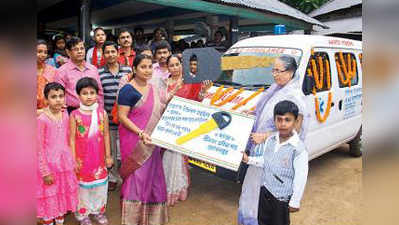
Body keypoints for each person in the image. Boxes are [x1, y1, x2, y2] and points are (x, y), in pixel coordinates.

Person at [237, 55, 310, 225]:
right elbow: (266, 114)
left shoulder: (294, 96)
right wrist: (253, 114)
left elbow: (295, 130)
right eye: (273, 70)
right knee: (254, 192)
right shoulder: (276, 88)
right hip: (262, 150)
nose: (274, 74)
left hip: (277, 153)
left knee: (271, 201)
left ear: (291, 72)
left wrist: (265, 136)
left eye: (279, 70)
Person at [117, 54, 181, 225]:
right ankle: (132, 220)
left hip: (152, 142)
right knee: (136, 180)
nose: (147, 71)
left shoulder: (153, 88)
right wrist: (140, 133)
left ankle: (152, 220)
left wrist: (174, 92)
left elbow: (161, 104)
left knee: (153, 179)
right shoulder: (127, 90)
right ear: (134, 69)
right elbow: (122, 116)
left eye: (149, 67)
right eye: (143, 67)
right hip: (135, 142)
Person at [242, 100, 309, 225]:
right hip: (265, 192)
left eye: (287, 120)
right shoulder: (271, 140)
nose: (283, 124)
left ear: (295, 122)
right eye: (279, 119)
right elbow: (265, 161)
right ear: (274, 121)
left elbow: (301, 177)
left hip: (281, 200)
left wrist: (295, 201)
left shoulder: (299, 149)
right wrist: (249, 160)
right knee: (262, 221)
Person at [69, 77, 113, 225]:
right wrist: (73, 159)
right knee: (83, 189)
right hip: (82, 159)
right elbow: (72, 139)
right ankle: (83, 214)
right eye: (84, 93)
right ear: (78, 95)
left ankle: (98, 211)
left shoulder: (102, 114)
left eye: (92, 92)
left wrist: (108, 156)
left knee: (100, 186)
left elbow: (106, 134)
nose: (89, 96)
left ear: (97, 94)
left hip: (99, 158)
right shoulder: (75, 115)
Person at [37, 83, 79, 225]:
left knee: (61, 196)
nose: (58, 100)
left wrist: (72, 161)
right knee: (50, 197)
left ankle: (60, 219)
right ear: (46, 99)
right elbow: (38, 148)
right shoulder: (42, 119)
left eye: (61, 96)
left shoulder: (65, 115)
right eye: (53, 97)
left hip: (64, 165)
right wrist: (44, 172)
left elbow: (68, 138)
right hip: (49, 166)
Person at [98, 41, 132, 191]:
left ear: (118, 53)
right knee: (110, 149)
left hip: (127, 119)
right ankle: (112, 177)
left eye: (113, 51)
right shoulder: (99, 73)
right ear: (103, 55)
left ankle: (127, 177)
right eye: (107, 52)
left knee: (126, 150)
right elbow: (99, 97)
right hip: (109, 119)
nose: (110, 55)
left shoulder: (128, 71)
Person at [54, 36, 104, 113]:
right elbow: (59, 96)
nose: (80, 51)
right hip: (72, 111)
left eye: (82, 48)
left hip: (93, 110)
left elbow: (99, 92)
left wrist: (100, 111)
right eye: (76, 49)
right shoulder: (61, 71)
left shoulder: (93, 69)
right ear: (68, 52)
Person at [37, 40, 56, 110]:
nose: (43, 55)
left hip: (49, 111)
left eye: (45, 52)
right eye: (39, 52)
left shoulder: (52, 70)